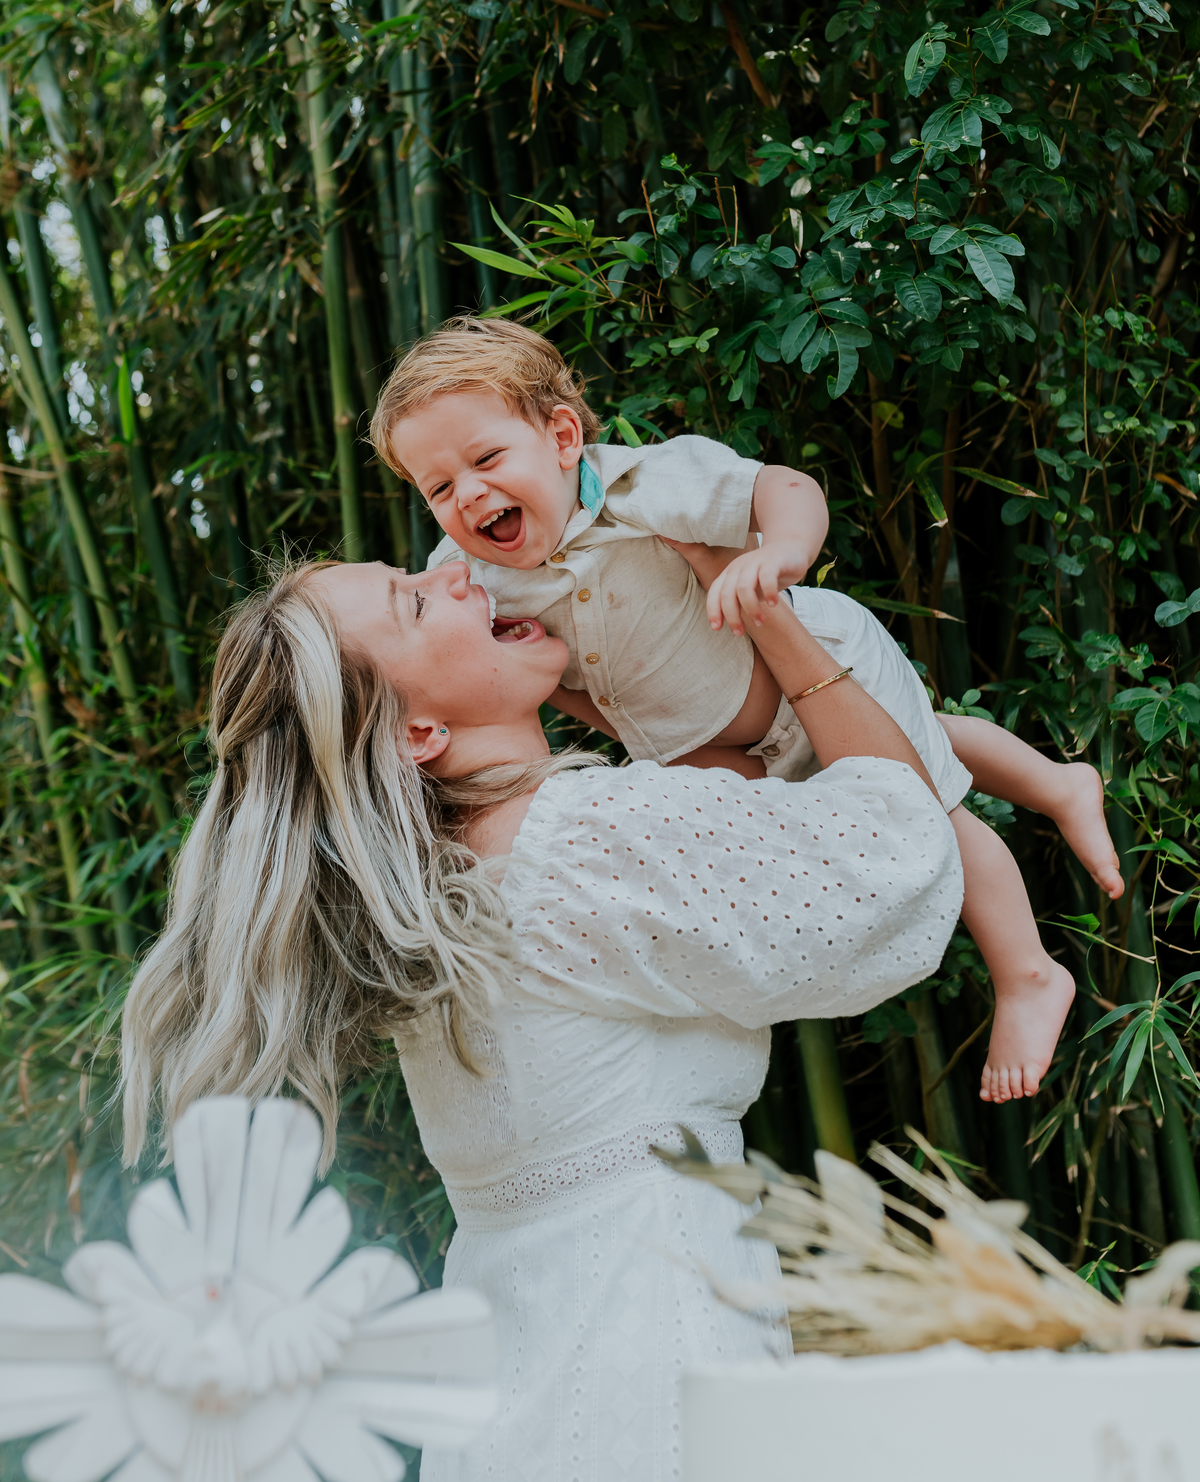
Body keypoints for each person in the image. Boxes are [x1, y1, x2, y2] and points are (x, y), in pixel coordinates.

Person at [121, 551, 963, 1482]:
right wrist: (774, 621)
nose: (454, 575)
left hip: (516, 1397)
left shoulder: (438, 898)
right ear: (418, 731)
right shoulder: (580, 842)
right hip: (649, 1361)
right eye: (414, 604)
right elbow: (899, 862)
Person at [370, 317, 1122, 1104]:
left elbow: (783, 488)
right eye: (439, 488)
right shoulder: (466, 576)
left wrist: (783, 552)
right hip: (707, 742)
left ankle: (1028, 973)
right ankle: (1058, 782)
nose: (469, 495)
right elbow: (522, 675)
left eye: (487, 459)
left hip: (812, 668)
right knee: (835, 794)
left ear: (561, 437)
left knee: (930, 807)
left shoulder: (642, 487)